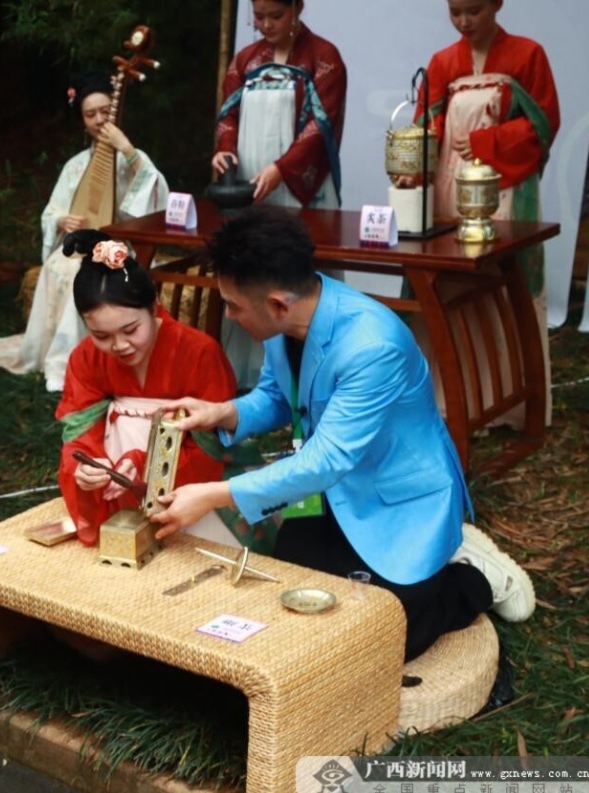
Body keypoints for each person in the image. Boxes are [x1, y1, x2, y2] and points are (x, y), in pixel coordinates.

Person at [148, 206, 535, 662]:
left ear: (276, 303)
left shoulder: (373, 346)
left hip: (398, 501)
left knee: (381, 641)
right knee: (292, 602)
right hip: (328, 492)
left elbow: (326, 461)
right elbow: (277, 398)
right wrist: (220, 412)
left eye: (233, 305)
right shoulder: (287, 319)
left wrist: (213, 494)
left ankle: (472, 577)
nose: (228, 316)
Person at [400, 0, 560, 428]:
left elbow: (543, 124)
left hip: (500, 188)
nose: (464, 22)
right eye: (455, 12)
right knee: (449, 285)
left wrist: (489, 143)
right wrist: (414, 167)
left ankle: (508, 407)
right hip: (448, 191)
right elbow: (425, 124)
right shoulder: (442, 62)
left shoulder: (528, 55)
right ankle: (445, 401)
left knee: (499, 281)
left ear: (497, 4)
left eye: (474, 10)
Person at [0, 70, 169, 392]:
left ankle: (72, 361)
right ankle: (61, 358)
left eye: (105, 111)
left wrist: (128, 150)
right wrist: (62, 221)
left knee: (84, 268)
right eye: (90, 114)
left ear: (117, 112)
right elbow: (52, 210)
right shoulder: (77, 165)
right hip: (83, 243)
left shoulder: (135, 159)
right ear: (82, 120)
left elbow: (157, 196)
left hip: (123, 247)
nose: (98, 120)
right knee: (58, 265)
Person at [56, 233, 238, 547]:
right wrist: (87, 468)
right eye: (101, 334)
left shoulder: (198, 352)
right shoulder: (85, 357)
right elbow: (80, 435)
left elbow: (211, 447)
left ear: (154, 304)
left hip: (185, 477)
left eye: (130, 329)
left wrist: (146, 464)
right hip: (113, 475)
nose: (119, 346)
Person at [211, 0, 347, 389]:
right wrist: (225, 150)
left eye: (276, 15)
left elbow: (320, 127)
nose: (266, 24)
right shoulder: (247, 61)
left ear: (297, 7)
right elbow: (228, 115)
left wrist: (282, 170)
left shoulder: (324, 58)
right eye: (259, 17)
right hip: (253, 182)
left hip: (300, 189)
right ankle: (249, 377)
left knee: (297, 275)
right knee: (249, 270)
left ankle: (312, 379)